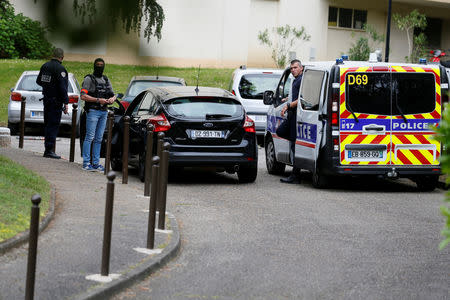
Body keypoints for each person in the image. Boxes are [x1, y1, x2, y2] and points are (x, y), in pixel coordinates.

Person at [80, 58, 116, 171]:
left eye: (102, 65)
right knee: (90, 137)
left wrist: (111, 99)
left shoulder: (105, 79)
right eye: (98, 65)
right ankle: (86, 162)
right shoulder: (88, 79)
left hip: (104, 112)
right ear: (94, 66)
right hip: (93, 111)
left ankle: (95, 163)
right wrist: (97, 100)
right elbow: (83, 96)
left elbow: (113, 94)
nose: (100, 67)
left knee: (99, 138)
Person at [36, 48, 69, 159]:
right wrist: (66, 102)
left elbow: (39, 81)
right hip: (56, 101)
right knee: (53, 125)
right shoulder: (61, 69)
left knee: (47, 124)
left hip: (46, 99)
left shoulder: (45, 66)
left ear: (52, 55)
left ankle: (47, 148)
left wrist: (48, 87)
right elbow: (63, 88)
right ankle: (49, 150)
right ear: (62, 57)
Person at [279, 59, 303, 183]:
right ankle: (294, 141)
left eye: (295, 67)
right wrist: (288, 98)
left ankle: (295, 175)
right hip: (292, 115)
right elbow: (296, 96)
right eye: (291, 68)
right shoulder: (296, 80)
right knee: (280, 131)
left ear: (301, 68)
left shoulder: (302, 80)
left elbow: (302, 99)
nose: (293, 70)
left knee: (295, 145)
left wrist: (289, 105)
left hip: (297, 115)